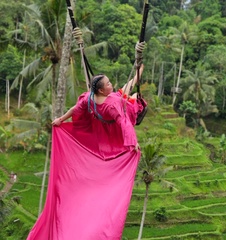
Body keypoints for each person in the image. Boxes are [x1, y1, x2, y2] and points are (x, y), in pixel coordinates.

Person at [27, 42, 145, 240]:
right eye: (108, 84)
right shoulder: (114, 105)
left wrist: (60, 120)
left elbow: (75, 110)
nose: (110, 85)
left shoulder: (89, 99)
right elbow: (124, 124)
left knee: (128, 88)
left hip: (102, 130)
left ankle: (138, 73)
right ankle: (138, 79)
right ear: (101, 90)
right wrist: (133, 143)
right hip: (115, 128)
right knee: (134, 95)